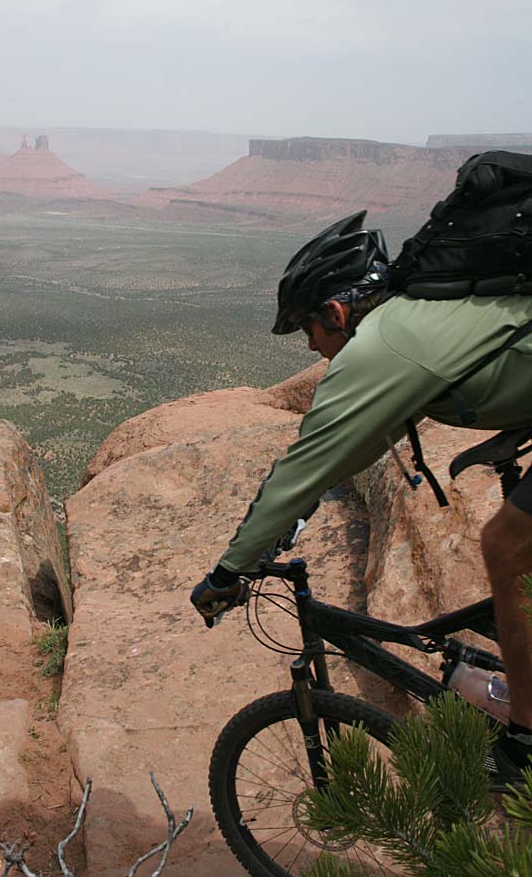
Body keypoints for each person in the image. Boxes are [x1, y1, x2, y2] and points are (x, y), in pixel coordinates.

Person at [190, 211, 532, 781]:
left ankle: (525, 740)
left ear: (336, 312)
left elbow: (303, 466)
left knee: (506, 543)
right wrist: (291, 519)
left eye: (308, 329)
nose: (310, 345)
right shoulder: (411, 322)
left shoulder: (381, 346)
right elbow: (352, 451)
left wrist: (227, 573)